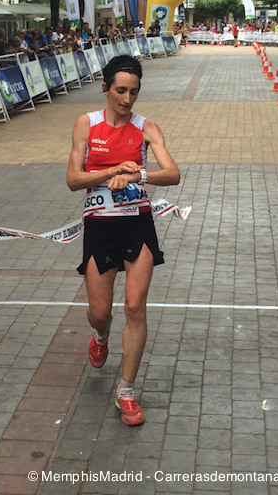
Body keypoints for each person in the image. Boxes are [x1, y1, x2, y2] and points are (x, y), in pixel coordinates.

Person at [66, 55, 180, 426]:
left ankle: (127, 392)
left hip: (137, 225)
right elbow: (73, 180)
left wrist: (137, 176)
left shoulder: (147, 128)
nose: (127, 99)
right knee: (100, 313)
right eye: (120, 90)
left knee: (134, 307)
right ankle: (100, 336)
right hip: (100, 226)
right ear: (105, 88)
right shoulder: (87, 124)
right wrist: (112, 170)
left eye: (133, 92)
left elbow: (172, 173)